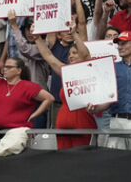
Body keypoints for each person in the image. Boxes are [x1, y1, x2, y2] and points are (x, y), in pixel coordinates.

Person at [29, 21, 95, 149]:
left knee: (83, 158)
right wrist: (37, 38)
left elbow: (86, 55)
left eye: (75, 53)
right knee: (63, 159)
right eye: (69, 54)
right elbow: (48, 56)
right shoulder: (67, 72)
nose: (71, 56)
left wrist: (74, 34)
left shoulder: (89, 70)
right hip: (63, 127)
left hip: (82, 125)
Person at [0, 42, 54, 131]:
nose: (5, 69)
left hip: (17, 131)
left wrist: (34, 115)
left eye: (9, 67)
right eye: (5, 67)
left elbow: (49, 98)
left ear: (18, 71)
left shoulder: (28, 86)